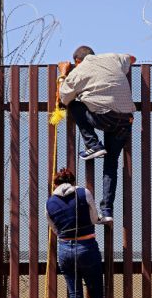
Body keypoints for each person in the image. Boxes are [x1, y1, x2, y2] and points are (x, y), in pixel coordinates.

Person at [57, 45, 136, 224]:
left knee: (75, 105)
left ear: (78, 61)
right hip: (125, 120)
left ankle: (93, 145)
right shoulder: (113, 57)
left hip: (104, 116)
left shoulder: (79, 70)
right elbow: (132, 58)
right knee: (111, 165)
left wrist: (63, 73)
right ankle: (106, 211)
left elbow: (64, 98)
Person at [46, 167, 105, 298]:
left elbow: (54, 229)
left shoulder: (50, 203)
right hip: (86, 247)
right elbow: (95, 218)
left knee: (75, 294)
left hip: (65, 250)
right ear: (72, 182)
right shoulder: (83, 193)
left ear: (55, 184)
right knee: (96, 293)